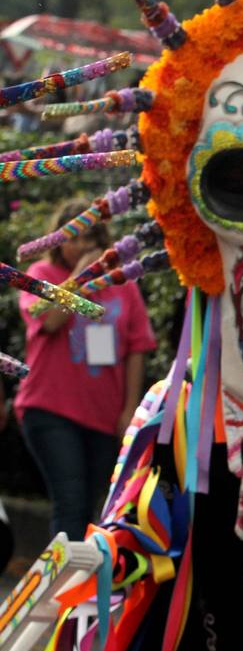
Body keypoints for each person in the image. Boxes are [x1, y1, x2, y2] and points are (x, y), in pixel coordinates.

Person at [15, 197, 156, 539]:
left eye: (89, 239)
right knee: (71, 505)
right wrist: (81, 277)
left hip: (104, 417)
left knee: (93, 512)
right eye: (73, 238)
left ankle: (79, 573)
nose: (81, 246)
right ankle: (62, 575)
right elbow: (50, 320)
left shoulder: (122, 284)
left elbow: (138, 347)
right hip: (51, 410)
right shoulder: (41, 275)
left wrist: (130, 411)